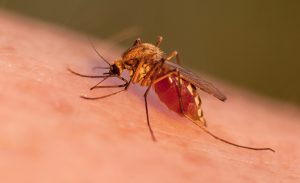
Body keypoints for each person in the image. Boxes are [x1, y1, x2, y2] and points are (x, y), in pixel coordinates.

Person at [0, 11, 299, 182]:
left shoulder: (141, 63)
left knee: (148, 86)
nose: (118, 73)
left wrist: (154, 82)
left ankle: (200, 125)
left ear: (126, 64)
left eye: (118, 70)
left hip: (169, 79)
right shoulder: (130, 59)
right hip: (159, 70)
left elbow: (141, 75)